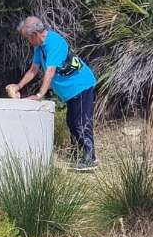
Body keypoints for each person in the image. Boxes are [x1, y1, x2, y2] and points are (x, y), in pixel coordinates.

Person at [11, 17, 98, 170]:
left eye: (27, 38)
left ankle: (91, 159)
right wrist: (18, 86)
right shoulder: (39, 47)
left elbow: (50, 71)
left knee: (81, 123)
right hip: (71, 92)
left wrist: (39, 95)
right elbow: (33, 70)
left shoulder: (54, 43)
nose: (27, 41)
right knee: (72, 122)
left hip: (82, 85)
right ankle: (78, 155)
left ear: (35, 34)